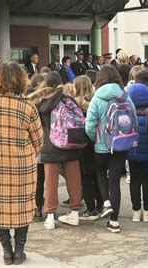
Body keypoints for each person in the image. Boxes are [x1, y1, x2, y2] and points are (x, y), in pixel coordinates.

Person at [0, 62, 44, 265]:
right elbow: (38, 141)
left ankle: (6, 251)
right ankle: (19, 251)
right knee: (22, 207)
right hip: (22, 165)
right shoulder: (27, 106)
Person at [85, 65, 137, 233]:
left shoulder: (97, 97)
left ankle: (105, 202)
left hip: (102, 146)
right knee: (114, 180)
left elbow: (90, 125)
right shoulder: (125, 96)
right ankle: (114, 222)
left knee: (100, 172)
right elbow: (133, 118)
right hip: (120, 144)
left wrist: (96, 139)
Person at [28, 71, 83, 230]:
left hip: (50, 146)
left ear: (45, 84)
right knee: (74, 180)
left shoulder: (41, 102)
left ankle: (50, 217)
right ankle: (75, 213)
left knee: (50, 183)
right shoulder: (69, 100)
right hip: (71, 143)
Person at [69, 75, 102, 220]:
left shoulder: (74, 105)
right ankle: (101, 204)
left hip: (81, 143)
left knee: (86, 177)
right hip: (97, 142)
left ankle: (90, 208)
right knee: (98, 175)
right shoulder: (97, 102)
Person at [126, 69, 148, 222]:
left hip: (131, 143)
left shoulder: (127, 95)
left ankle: (135, 211)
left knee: (134, 179)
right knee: (147, 180)